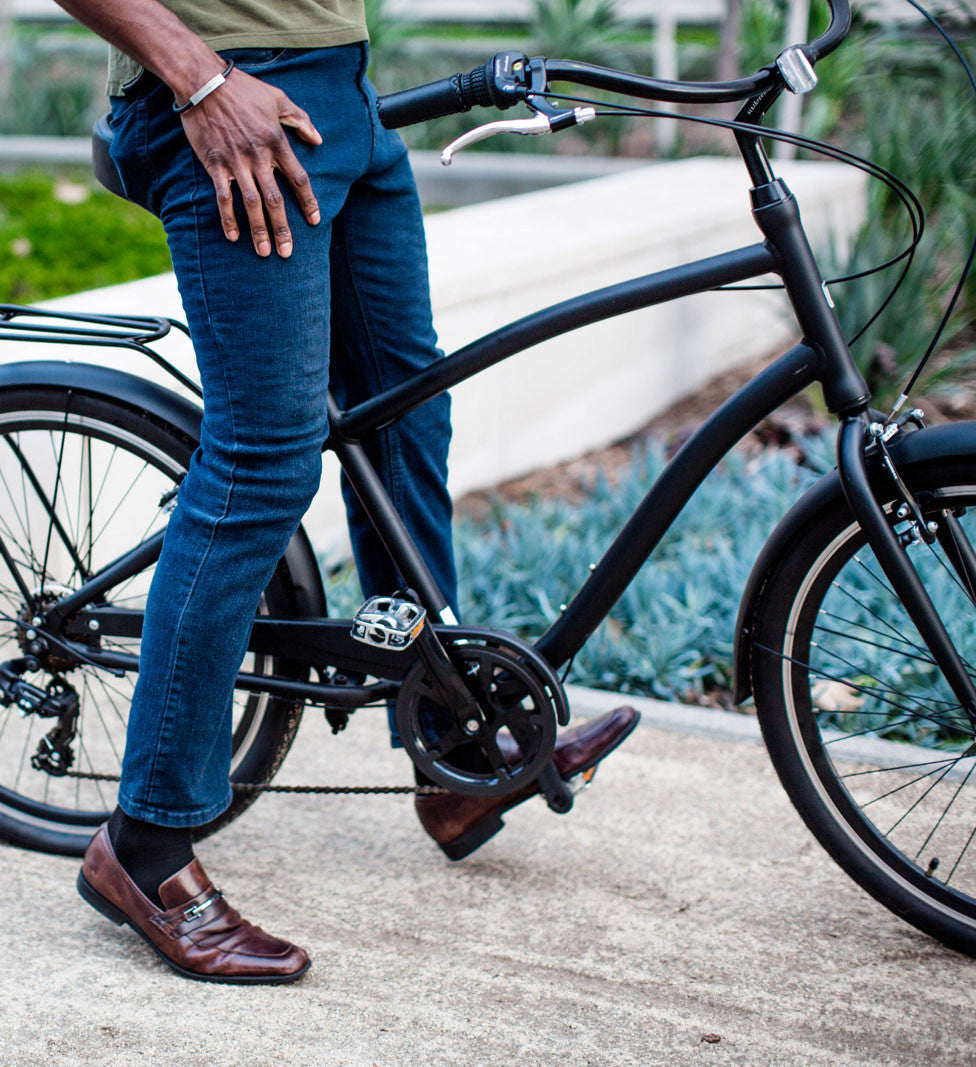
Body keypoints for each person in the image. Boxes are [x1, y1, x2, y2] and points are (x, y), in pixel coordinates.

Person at [56, 0, 639, 984]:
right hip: (222, 99)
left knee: (405, 413)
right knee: (262, 459)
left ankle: (450, 751)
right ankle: (144, 846)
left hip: (341, 97)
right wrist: (199, 82)